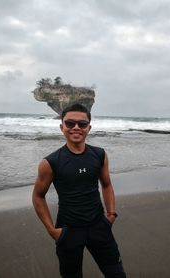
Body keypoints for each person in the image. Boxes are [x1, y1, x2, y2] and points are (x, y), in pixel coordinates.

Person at [32, 103, 126, 278]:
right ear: (62, 127)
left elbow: (106, 184)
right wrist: (52, 230)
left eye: (82, 124)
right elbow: (38, 196)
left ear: (88, 128)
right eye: (70, 123)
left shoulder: (99, 155)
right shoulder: (50, 162)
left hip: (99, 226)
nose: (76, 127)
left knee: (116, 273)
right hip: (68, 231)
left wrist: (111, 214)